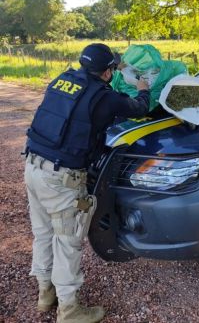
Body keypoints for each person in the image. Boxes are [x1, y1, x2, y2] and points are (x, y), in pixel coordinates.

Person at [24, 43, 150, 323]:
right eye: (113, 69)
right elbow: (140, 108)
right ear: (107, 73)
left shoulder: (63, 80)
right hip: (61, 179)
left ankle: (46, 293)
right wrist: (143, 87)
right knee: (67, 241)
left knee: (43, 233)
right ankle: (69, 310)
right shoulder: (105, 98)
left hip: (33, 166)